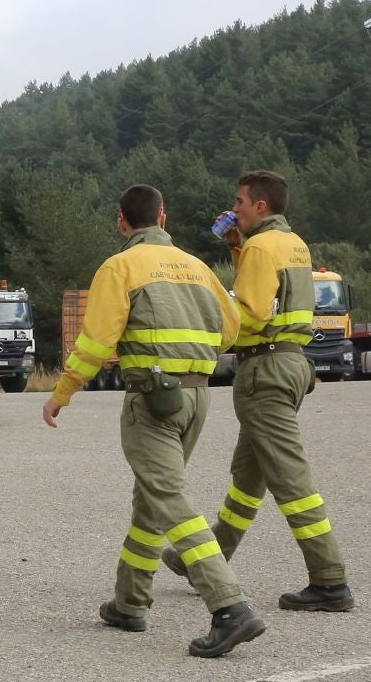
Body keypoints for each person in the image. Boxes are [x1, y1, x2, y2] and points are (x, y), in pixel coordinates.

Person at [42, 184, 265, 657]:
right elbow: (231, 330)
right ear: (163, 218)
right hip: (196, 397)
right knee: (152, 500)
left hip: (153, 399)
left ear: (122, 222)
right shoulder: (198, 267)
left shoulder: (119, 266)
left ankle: (229, 607)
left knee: (168, 497)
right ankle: (130, 602)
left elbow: (98, 342)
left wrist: (62, 392)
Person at [163, 171, 354, 612]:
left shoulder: (260, 247)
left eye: (241, 202)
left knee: (290, 476)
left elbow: (248, 312)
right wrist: (235, 245)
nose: (236, 208)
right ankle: (208, 559)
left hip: (264, 369)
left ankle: (329, 580)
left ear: (261, 206)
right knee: (249, 476)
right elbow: (277, 296)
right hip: (289, 363)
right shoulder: (292, 244)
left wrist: (206, 332)